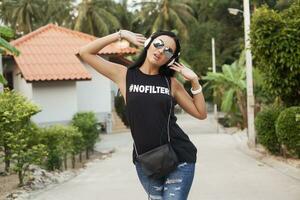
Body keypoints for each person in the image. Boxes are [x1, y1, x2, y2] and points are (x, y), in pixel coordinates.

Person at [78, 29, 207, 200]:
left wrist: (194, 81)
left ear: (171, 58)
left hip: (179, 157)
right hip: (146, 160)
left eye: (168, 50)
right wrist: (121, 34)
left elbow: (200, 113)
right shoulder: (124, 75)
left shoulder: (171, 83)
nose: (161, 51)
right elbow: (85, 53)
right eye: (158, 44)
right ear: (148, 43)